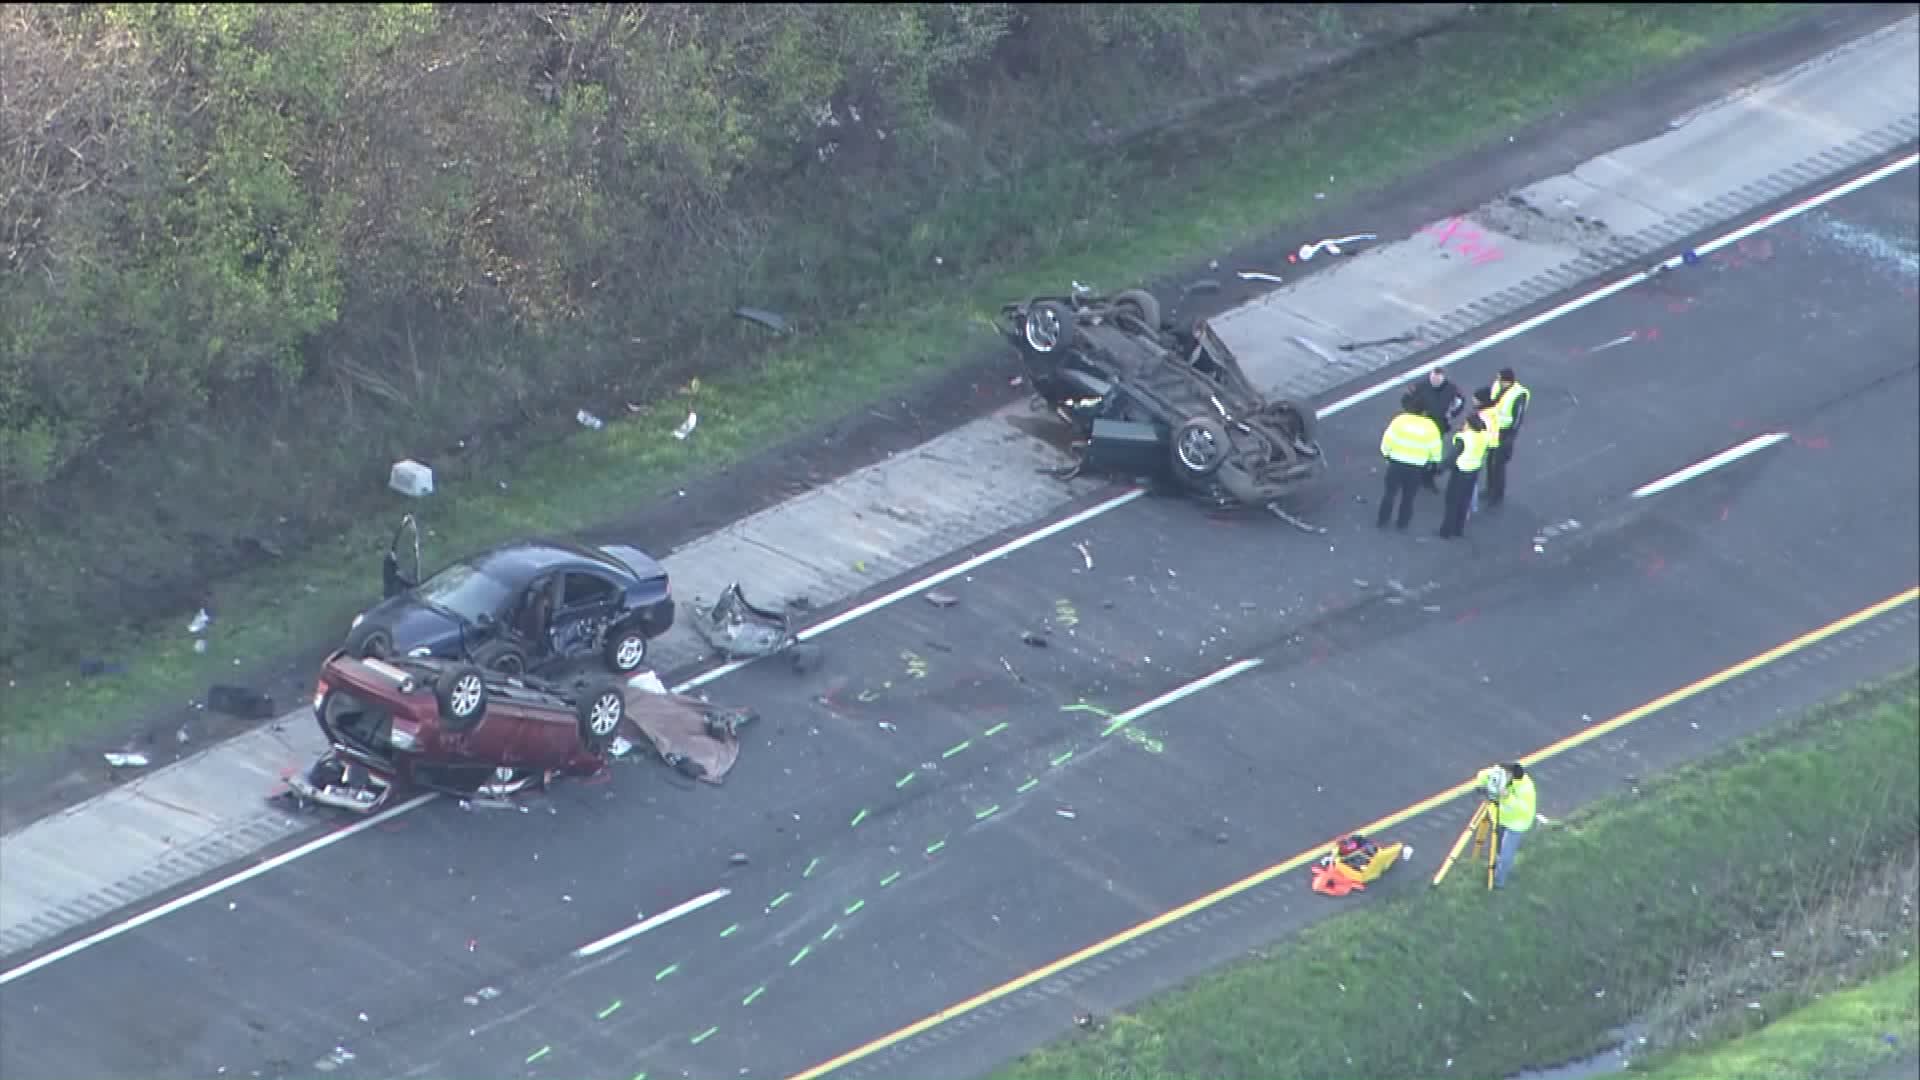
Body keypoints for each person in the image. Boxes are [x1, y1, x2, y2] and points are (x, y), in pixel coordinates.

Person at [1377, 390, 1444, 530]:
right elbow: (1435, 449)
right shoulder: (1430, 426)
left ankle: (1382, 520)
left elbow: (1388, 440)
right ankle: (1402, 523)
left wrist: (1386, 454)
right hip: (1416, 467)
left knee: (1390, 493)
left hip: (1396, 463)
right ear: (1424, 411)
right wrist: (1433, 461)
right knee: (1408, 497)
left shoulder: (1400, 420)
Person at [1479, 367, 1531, 507]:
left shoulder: (1518, 395)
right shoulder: (1497, 386)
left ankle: (1497, 494)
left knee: (1499, 464)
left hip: (1505, 433)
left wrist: (1510, 438)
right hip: (1493, 429)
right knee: (1490, 461)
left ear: (1507, 381)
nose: (1497, 381)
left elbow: (1517, 419)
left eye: (1500, 379)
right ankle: (1489, 489)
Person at [1412, 367, 1467, 490]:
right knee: (1418, 449)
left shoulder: (1452, 389)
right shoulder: (1421, 386)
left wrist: (1451, 414)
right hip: (1422, 423)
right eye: (1433, 378)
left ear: (1443, 378)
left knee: (1433, 452)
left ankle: (1427, 478)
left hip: (1439, 425)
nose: (1435, 381)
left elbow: (1460, 403)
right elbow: (1407, 400)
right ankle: (1417, 473)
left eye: (1437, 379)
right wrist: (1415, 413)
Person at [1438, 413, 1491, 539]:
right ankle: (1458, 529)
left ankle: (1446, 531)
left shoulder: (1464, 438)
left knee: (1452, 502)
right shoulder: (1484, 436)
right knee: (1464, 501)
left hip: (1460, 472)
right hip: (1474, 471)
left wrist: (1440, 468)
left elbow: (1453, 456)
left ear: (1469, 424)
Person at [1491, 761, 1536, 888]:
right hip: (1501, 818)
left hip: (1517, 823)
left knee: (1506, 856)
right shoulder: (1498, 774)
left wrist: (1507, 797)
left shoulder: (1525, 788)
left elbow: (1522, 809)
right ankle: (1494, 865)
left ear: (1512, 775)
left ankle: (1499, 882)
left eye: (1505, 776)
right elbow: (1482, 775)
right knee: (1498, 846)